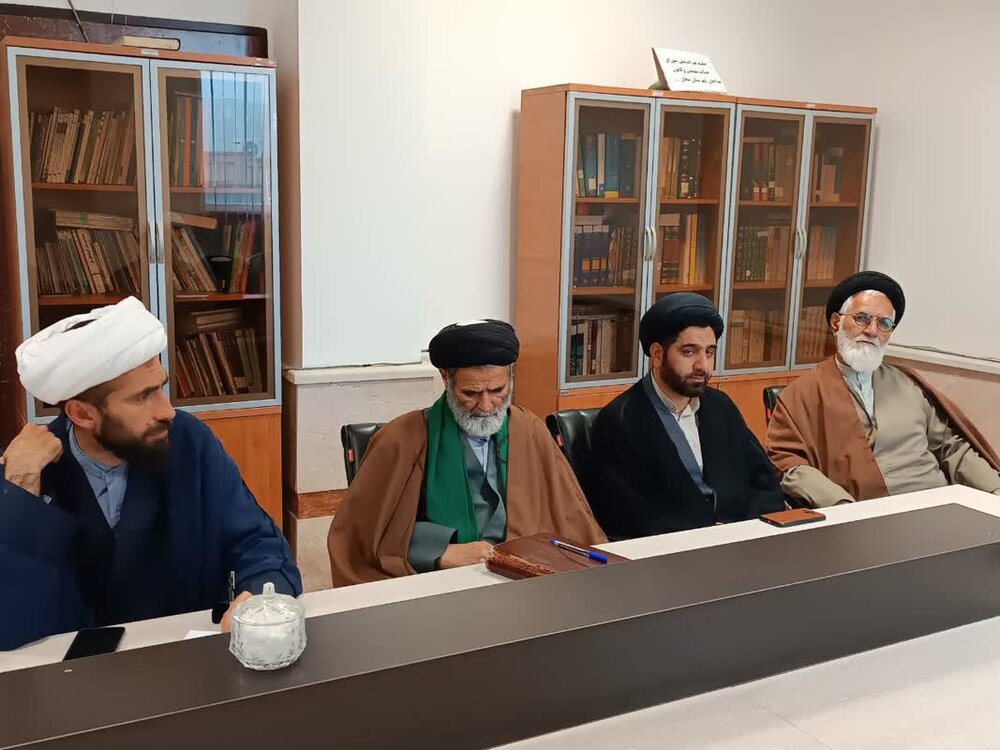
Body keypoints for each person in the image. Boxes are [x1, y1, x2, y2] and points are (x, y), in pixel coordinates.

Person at [0, 297, 301, 649]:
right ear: (82, 414)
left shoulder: (187, 440)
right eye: (143, 397)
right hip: (76, 673)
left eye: (161, 387)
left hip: (185, 657)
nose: (167, 411)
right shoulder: (31, 471)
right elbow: (13, 625)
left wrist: (259, 596)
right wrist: (19, 490)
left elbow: (257, 542)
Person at [327, 319, 606, 585]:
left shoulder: (529, 430)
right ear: (445, 378)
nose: (486, 406)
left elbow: (569, 519)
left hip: (523, 577)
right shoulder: (401, 439)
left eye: (497, 390)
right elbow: (363, 537)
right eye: (471, 393)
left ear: (511, 376)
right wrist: (441, 550)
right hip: (439, 581)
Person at [766, 271, 1000, 507]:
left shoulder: (907, 384)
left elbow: (951, 448)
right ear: (836, 323)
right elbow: (787, 462)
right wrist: (840, 505)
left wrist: (995, 488)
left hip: (936, 502)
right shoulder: (802, 394)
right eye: (862, 318)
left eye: (884, 323)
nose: (872, 330)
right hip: (868, 511)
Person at [587, 294, 785, 540]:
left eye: (709, 352)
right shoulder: (621, 420)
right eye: (689, 352)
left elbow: (763, 483)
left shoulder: (721, 406)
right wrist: (702, 537)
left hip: (740, 542)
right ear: (657, 355)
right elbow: (626, 516)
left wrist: (745, 531)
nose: (703, 365)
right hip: (672, 552)